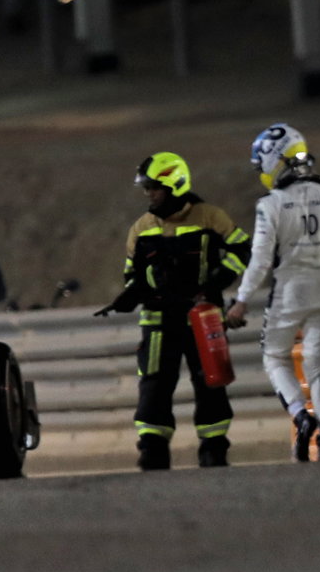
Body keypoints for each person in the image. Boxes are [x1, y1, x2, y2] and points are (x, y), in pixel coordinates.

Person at [98, 152, 251, 470]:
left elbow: (243, 250)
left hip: (203, 316)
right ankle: (152, 449)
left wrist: (216, 281)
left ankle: (213, 448)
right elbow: (131, 275)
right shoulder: (141, 228)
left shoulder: (211, 217)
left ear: (175, 185)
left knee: (211, 382)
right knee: (153, 384)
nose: (148, 194)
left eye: (154, 187)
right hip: (159, 319)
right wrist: (138, 289)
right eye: (146, 188)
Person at [225, 124, 320, 463]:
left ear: (273, 159)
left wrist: (241, 300)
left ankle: (300, 415)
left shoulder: (271, 204)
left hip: (288, 294)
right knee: (318, 365)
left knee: (274, 356)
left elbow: (261, 259)